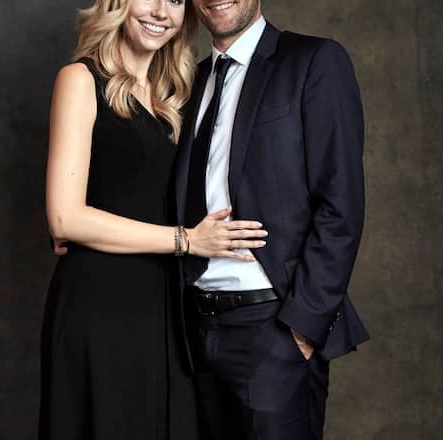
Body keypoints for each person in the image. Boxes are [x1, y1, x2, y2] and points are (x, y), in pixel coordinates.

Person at [42, 1, 269, 439]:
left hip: (169, 307)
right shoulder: (80, 80)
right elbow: (64, 217)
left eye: (177, 0)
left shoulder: (181, 94)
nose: (162, 12)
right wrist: (186, 240)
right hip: (101, 306)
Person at [173, 1, 371, 439]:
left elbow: (340, 202)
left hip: (273, 331)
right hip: (195, 336)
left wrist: (301, 329)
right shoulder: (191, 82)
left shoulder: (313, 61)